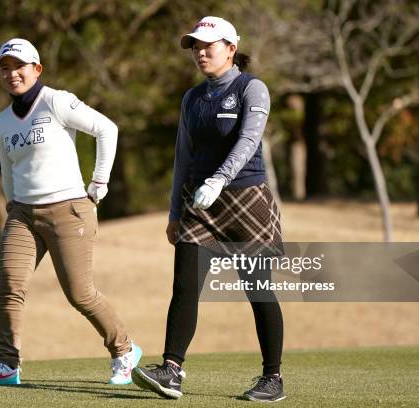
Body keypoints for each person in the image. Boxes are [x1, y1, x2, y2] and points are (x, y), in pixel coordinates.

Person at [0, 38, 141, 386]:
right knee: (9, 288)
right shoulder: (2, 122)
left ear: (37, 69)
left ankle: (124, 351)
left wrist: (100, 183)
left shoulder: (56, 102)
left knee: (80, 293)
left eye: (19, 66)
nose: (12, 73)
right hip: (23, 214)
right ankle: (6, 364)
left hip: (69, 209)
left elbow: (107, 129)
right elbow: (7, 169)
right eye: (5, 68)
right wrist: (12, 203)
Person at [131, 17, 285, 402]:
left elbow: (249, 140)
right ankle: (171, 370)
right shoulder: (192, 98)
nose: (200, 52)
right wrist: (173, 213)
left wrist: (219, 180)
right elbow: (183, 157)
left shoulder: (252, 88)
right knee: (184, 286)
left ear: (231, 49)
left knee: (258, 290)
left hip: (246, 198)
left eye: (208, 46)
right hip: (199, 204)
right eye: (195, 46)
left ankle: (272, 378)